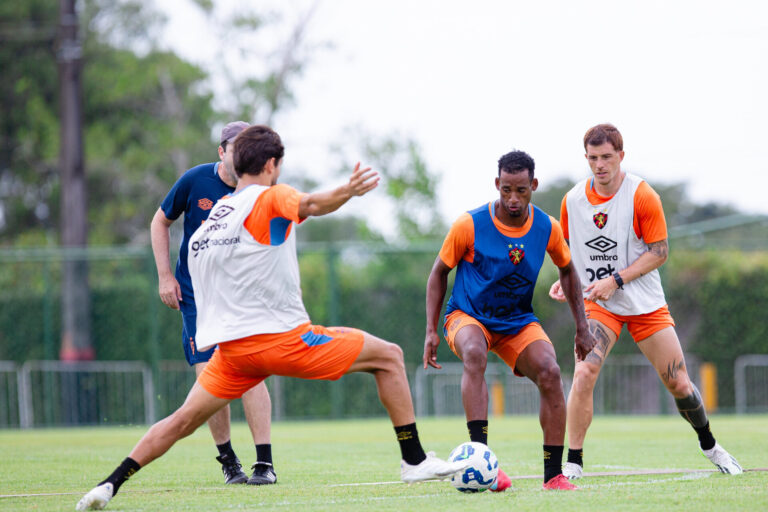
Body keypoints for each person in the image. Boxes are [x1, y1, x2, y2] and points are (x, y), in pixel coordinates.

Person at [77, 125, 468, 511]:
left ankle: (108, 485)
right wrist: (348, 191)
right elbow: (313, 205)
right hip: (282, 343)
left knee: (180, 421)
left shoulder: (210, 224)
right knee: (390, 356)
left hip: (231, 354)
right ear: (270, 164)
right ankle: (414, 460)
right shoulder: (270, 197)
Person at [549, 123, 743, 478]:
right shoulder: (572, 200)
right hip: (600, 306)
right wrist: (566, 281)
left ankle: (711, 447)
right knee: (584, 372)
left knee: (679, 383)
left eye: (607, 157)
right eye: (593, 158)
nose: (600, 165)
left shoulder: (642, 195)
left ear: (621, 156)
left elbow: (660, 252)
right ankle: (573, 464)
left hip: (645, 305)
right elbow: (569, 252)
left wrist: (617, 279)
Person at [423, 150, 597, 492]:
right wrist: (431, 330)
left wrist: (582, 326)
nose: (513, 198)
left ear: (533, 185)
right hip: (467, 316)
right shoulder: (469, 224)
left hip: (516, 321)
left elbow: (568, 271)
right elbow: (438, 273)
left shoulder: (547, 227)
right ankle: (481, 462)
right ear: (496, 184)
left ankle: (553, 476)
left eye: (520, 190)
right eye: (506, 190)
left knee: (550, 371)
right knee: (474, 352)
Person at [149, 121, 276, 486]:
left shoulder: (260, 189)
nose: (244, 156)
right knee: (209, 376)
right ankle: (228, 461)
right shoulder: (194, 181)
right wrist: (164, 276)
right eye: (237, 149)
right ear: (222, 151)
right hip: (197, 297)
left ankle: (264, 464)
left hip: (241, 297)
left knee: (251, 372)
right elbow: (160, 221)